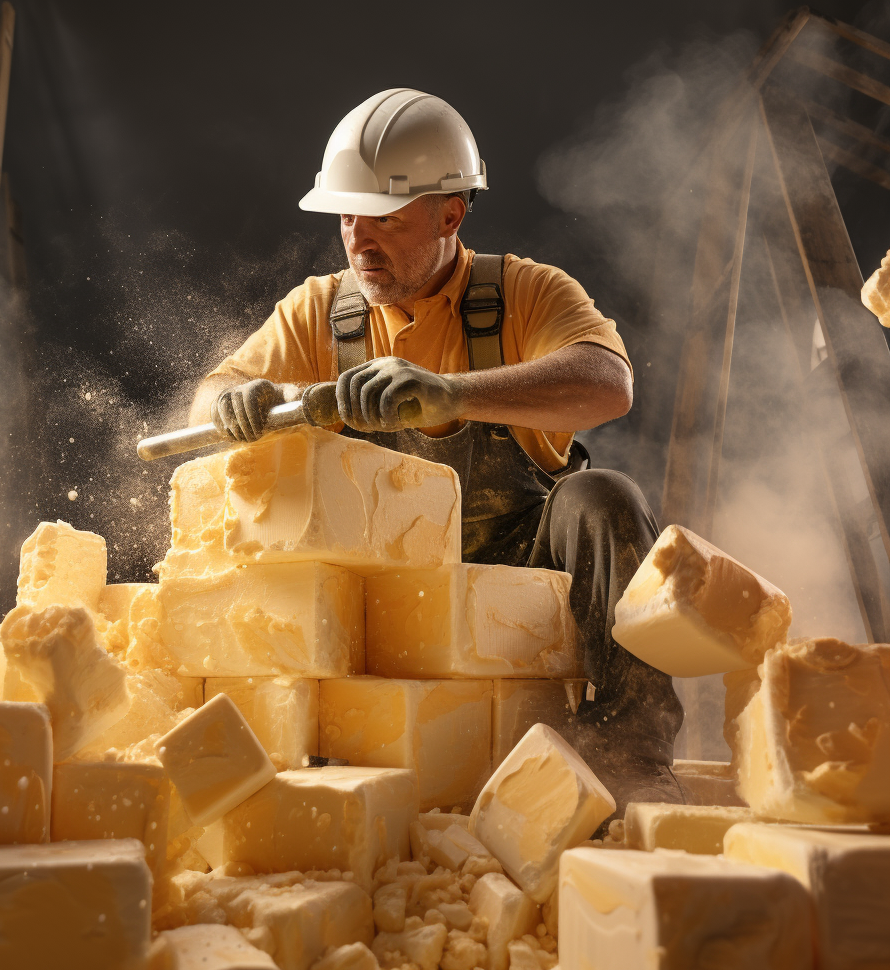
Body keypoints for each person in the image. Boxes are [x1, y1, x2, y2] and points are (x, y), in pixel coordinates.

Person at [190, 88, 685, 811]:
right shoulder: (317, 311)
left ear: (451, 213)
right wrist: (235, 402)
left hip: (512, 571)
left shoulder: (526, 293)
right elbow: (208, 399)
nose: (360, 238)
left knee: (602, 496)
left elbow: (608, 384)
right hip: (378, 602)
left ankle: (630, 758)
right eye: (347, 214)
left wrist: (453, 392)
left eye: (384, 216)